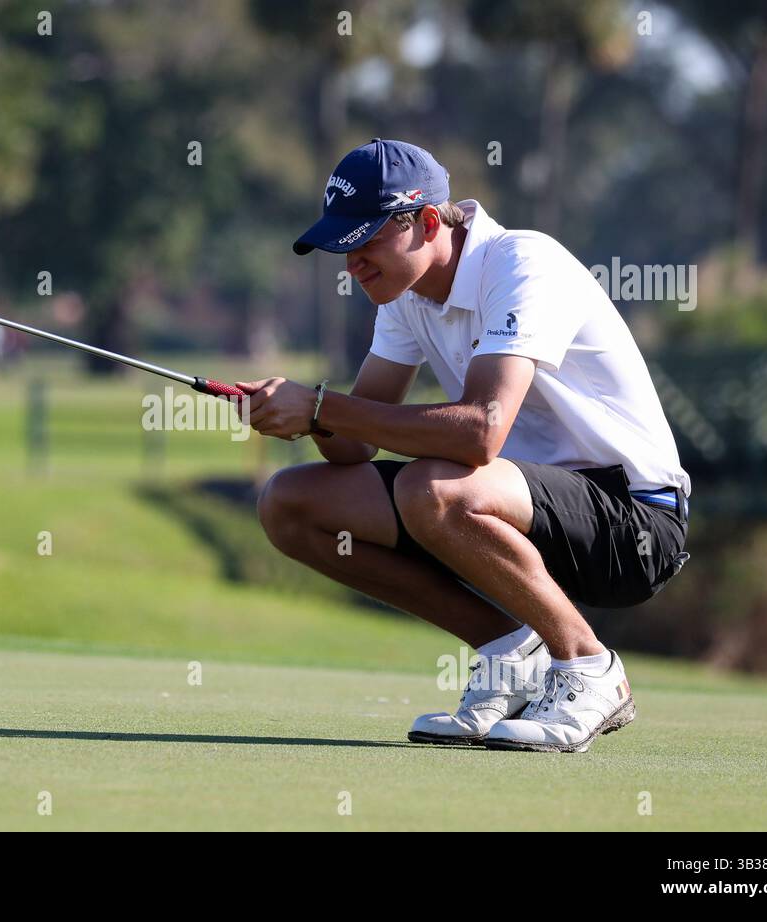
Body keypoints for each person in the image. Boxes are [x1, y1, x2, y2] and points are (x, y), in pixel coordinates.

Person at [241, 138, 691, 752]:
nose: (352, 264)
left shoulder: (523, 263)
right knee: (289, 503)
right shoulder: (406, 297)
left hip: (633, 523)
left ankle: (589, 668)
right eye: (342, 247)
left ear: (429, 221)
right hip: (513, 511)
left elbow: (482, 430)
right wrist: (298, 414)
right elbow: (351, 448)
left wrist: (322, 407)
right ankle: (512, 655)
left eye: (365, 241)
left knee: (432, 486)